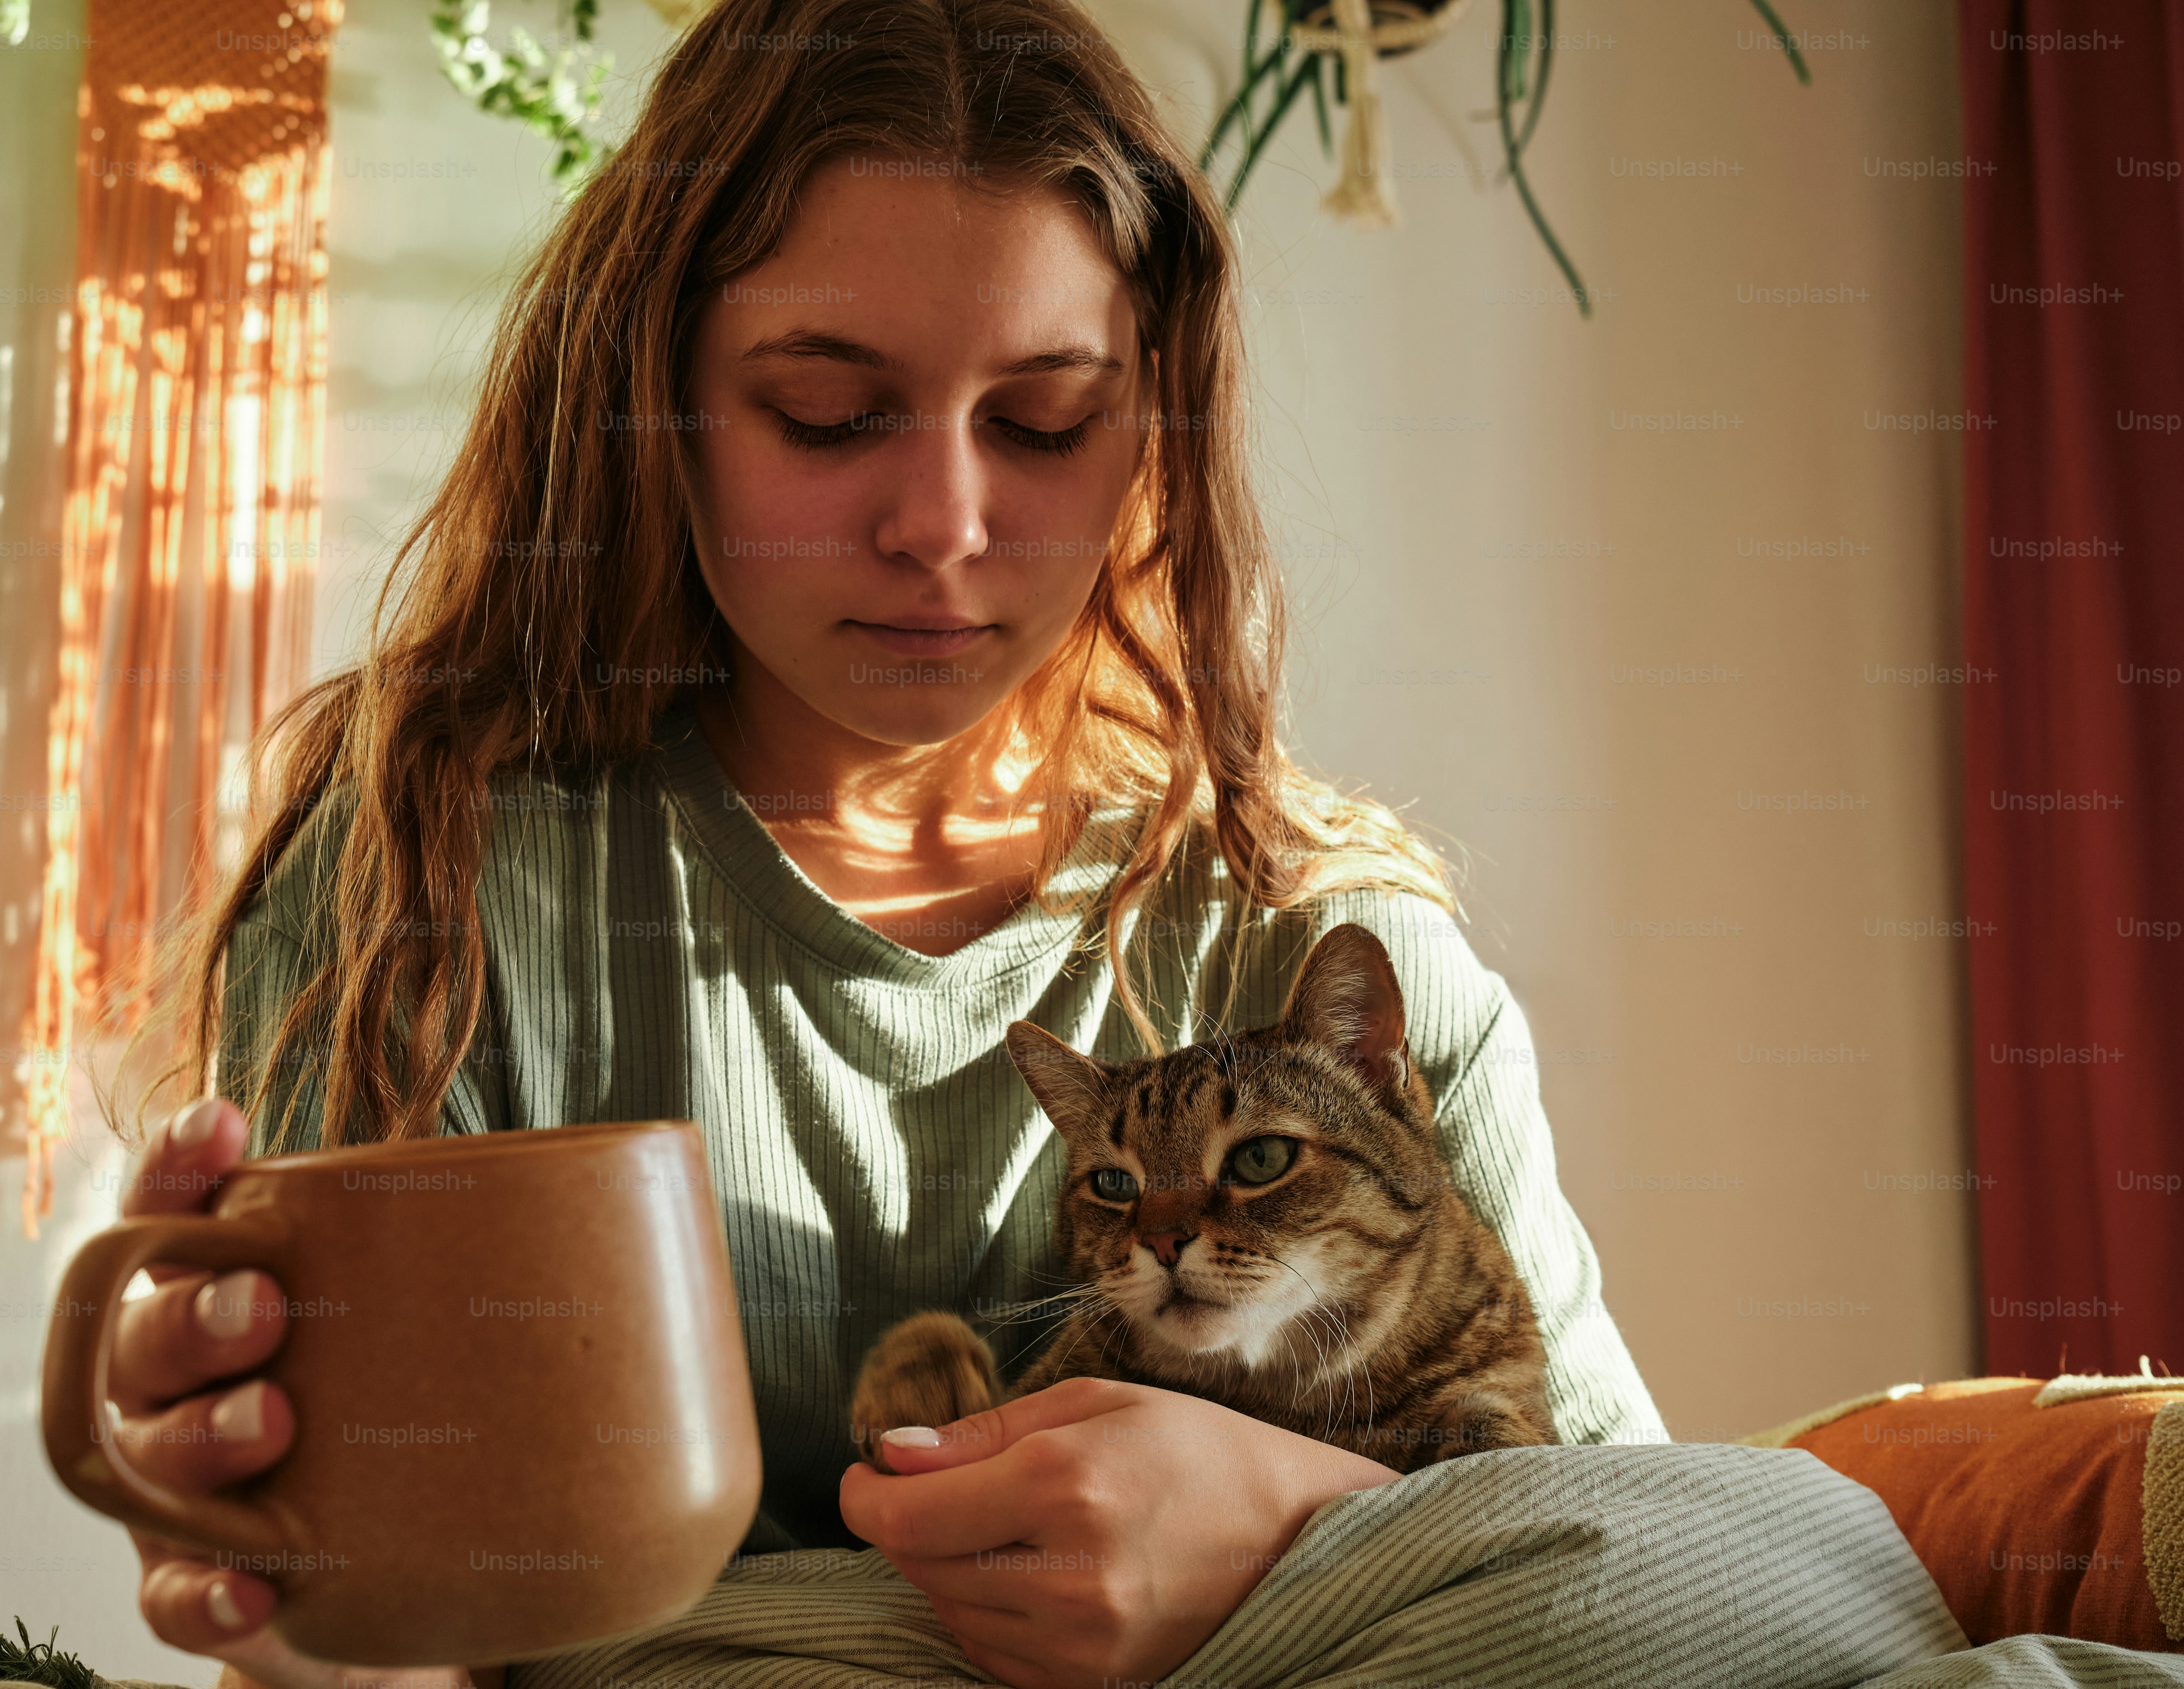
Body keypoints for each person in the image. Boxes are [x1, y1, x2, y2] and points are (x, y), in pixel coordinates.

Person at [99, 0, 1665, 1685]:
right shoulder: (430, 887)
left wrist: (1285, 1520)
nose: (942, 529)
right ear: (660, 404)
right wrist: (317, 1630)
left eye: (1047, 422)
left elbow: (1649, 1570)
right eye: (832, 415)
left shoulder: (1325, 935)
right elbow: (405, 1630)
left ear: (1154, 435)